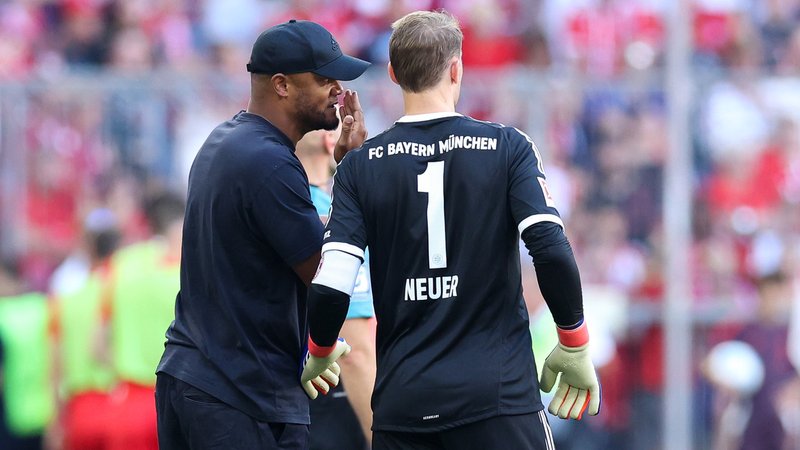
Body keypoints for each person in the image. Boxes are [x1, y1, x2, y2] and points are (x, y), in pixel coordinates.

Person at [301, 10, 601, 450]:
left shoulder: (360, 167)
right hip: (497, 401)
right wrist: (573, 342)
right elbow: (550, 249)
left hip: (404, 406)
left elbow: (332, 282)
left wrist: (320, 350)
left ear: (393, 74)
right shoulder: (508, 147)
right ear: (456, 69)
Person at [154, 19, 370, 450]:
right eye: (324, 79)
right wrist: (352, 176)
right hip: (238, 396)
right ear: (282, 85)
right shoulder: (269, 162)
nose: (338, 91)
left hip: (200, 380)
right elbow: (328, 277)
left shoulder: (227, 140)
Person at [296, 130, 377, 449]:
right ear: (330, 140)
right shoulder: (337, 220)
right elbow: (355, 352)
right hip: (335, 413)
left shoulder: (277, 206)